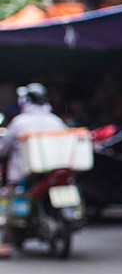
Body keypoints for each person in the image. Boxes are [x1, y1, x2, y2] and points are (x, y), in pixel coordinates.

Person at [0, 83, 69, 258]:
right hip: (54, 170)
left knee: (12, 203)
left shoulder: (20, 122)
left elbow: (4, 148)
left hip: (23, 174)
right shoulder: (55, 120)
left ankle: (5, 244)